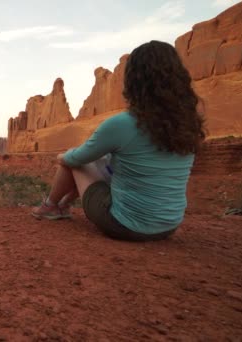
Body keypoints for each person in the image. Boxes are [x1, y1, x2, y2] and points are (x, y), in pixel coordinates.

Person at [31, 40, 206, 242]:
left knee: (74, 160)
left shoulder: (123, 123)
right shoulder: (188, 124)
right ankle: (61, 206)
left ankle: (50, 206)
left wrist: (61, 157)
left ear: (133, 80)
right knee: (106, 161)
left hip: (124, 224)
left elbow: (77, 158)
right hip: (168, 225)